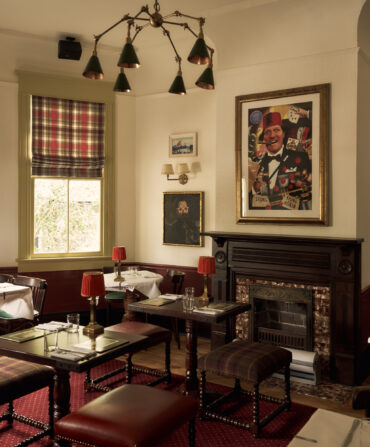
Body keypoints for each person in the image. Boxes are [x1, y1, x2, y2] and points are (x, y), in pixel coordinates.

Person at [250, 111, 312, 210]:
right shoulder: (255, 163)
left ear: (283, 134)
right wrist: (254, 189)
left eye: (276, 130)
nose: (272, 136)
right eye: (267, 132)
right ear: (264, 138)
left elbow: (310, 195)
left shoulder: (301, 158)